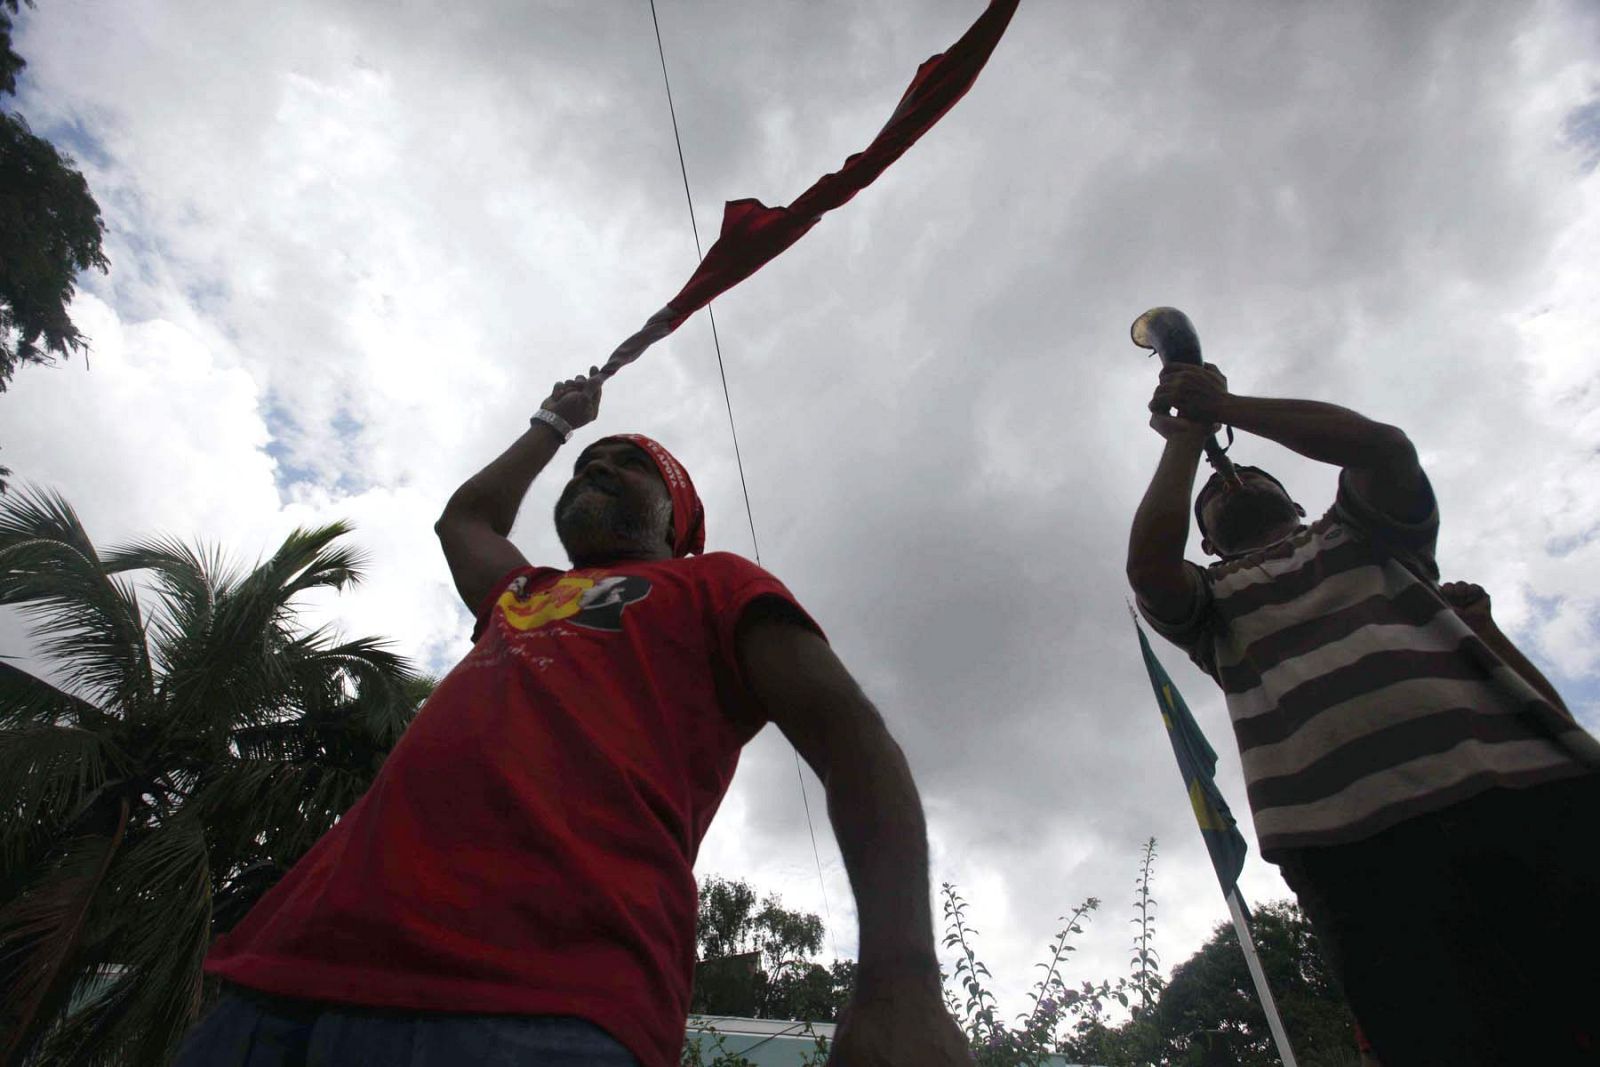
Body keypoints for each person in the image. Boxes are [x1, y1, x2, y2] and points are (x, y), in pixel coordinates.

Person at [182, 368, 970, 1067]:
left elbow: (853, 740)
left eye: (632, 464)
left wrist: (902, 987)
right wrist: (557, 424)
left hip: (544, 1002)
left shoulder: (716, 586)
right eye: (593, 463)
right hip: (284, 981)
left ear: (678, 521)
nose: (599, 467)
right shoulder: (520, 595)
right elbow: (464, 520)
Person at [1125, 361, 1600, 1065]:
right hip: (1357, 858)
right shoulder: (1214, 604)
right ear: (1210, 546)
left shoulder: (1364, 535)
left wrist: (1227, 405)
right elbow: (1149, 567)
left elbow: (1383, 449)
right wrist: (1187, 438)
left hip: (1529, 798)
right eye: (1213, 499)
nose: (1237, 482)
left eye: (1258, 477)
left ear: (1295, 502)